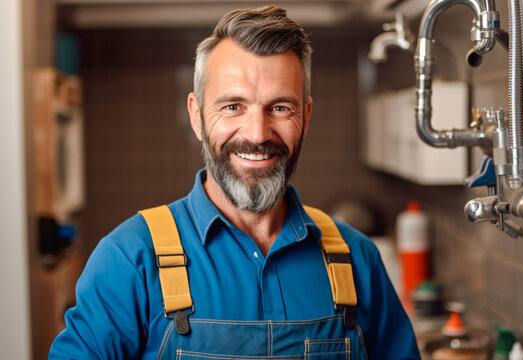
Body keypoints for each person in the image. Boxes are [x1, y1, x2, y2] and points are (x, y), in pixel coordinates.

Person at [49, 5, 420, 359]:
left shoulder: (358, 260)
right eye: (233, 107)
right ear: (196, 116)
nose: (258, 134)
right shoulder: (130, 260)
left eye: (279, 107)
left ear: (305, 117)